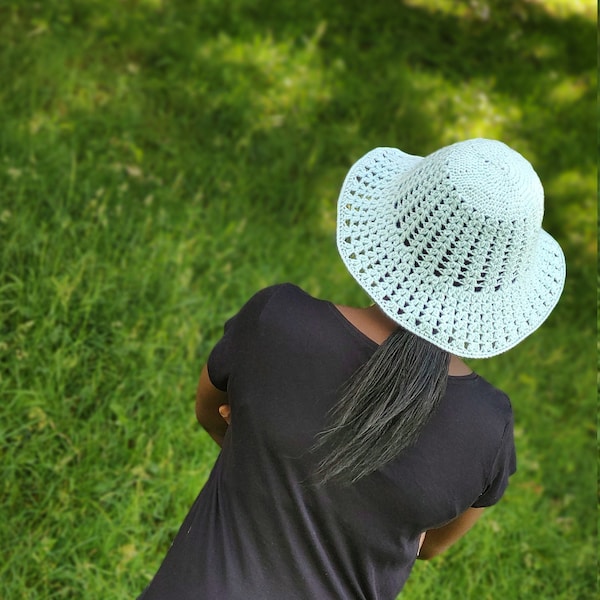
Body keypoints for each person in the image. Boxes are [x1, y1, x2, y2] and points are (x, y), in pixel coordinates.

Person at [138, 138, 565, 599]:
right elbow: (429, 545)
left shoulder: (277, 320)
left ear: (395, 222)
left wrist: (259, 447)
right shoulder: (487, 428)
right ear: (497, 285)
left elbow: (208, 409)